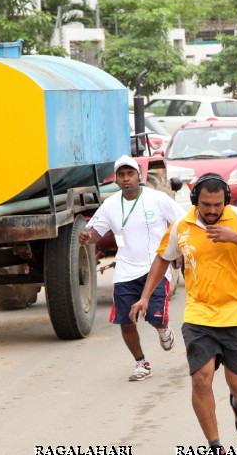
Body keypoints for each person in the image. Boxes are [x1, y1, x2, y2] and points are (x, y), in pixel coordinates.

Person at [131, 173, 237, 455]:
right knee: (201, 378)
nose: (212, 211)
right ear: (196, 200)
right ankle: (215, 448)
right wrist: (146, 297)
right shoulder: (182, 227)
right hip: (199, 315)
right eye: (206, 205)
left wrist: (235, 237)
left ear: (226, 201)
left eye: (218, 205)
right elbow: (162, 258)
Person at [79, 156, 185, 381]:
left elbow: (183, 222)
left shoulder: (157, 199)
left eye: (130, 174)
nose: (126, 179)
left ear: (139, 176)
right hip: (126, 269)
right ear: (116, 180)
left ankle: (162, 329)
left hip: (156, 267)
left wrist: (178, 251)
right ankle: (141, 363)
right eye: (121, 175)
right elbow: (95, 232)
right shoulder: (110, 205)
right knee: (126, 321)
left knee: (156, 318)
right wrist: (87, 237)